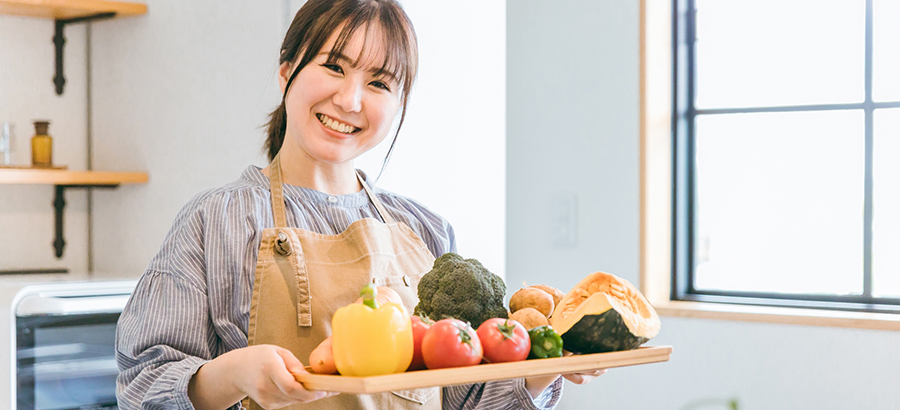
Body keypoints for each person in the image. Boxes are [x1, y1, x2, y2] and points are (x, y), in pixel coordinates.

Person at [115, 0, 603, 409]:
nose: (350, 100)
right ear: (287, 70)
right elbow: (140, 387)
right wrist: (228, 376)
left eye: (379, 83)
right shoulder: (213, 222)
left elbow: (463, 398)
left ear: (399, 105)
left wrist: (543, 369)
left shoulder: (427, 230)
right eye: (333, 66)